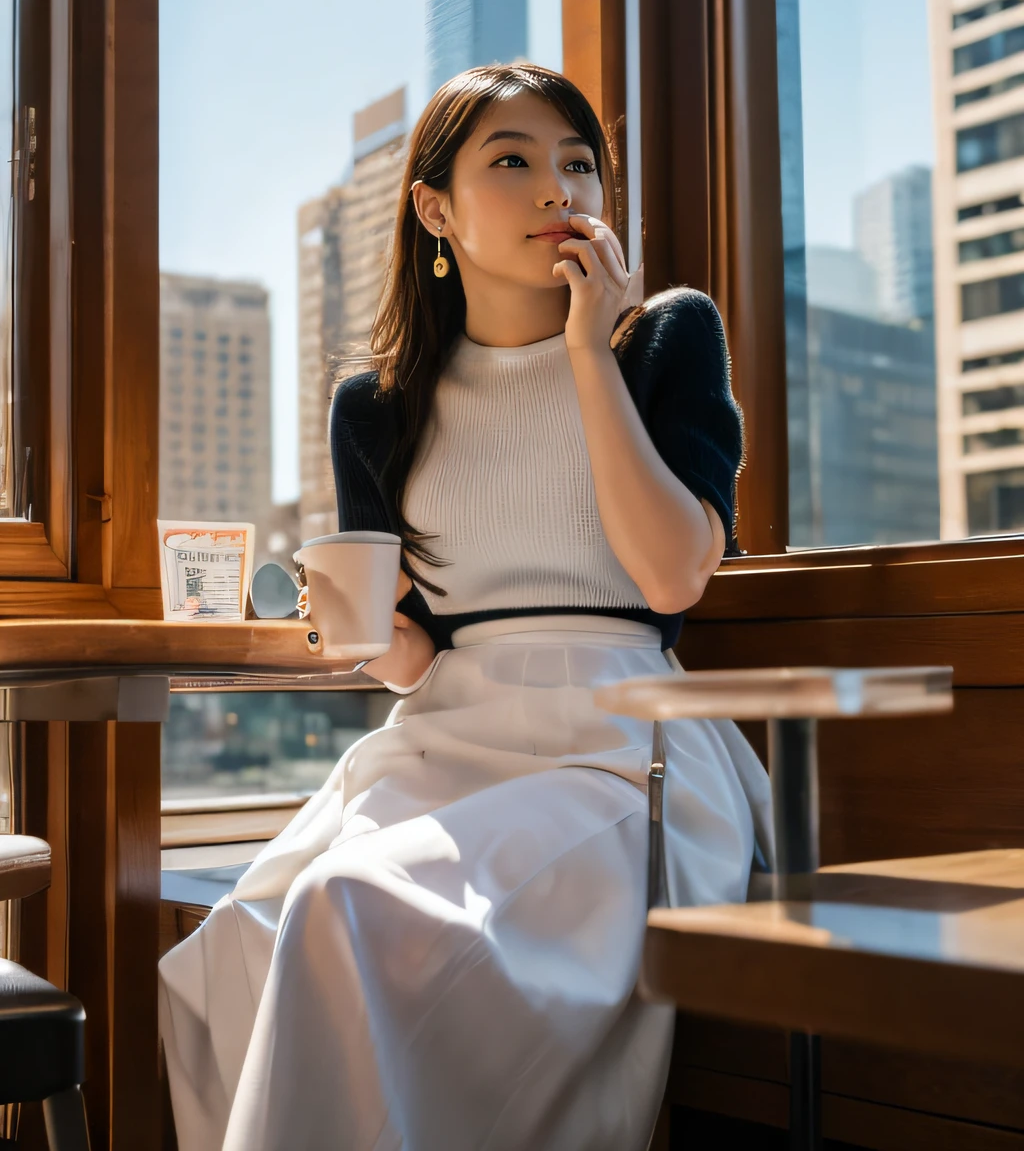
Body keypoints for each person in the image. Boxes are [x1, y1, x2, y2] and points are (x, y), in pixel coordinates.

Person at [159, 63, 773, 1151]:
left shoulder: (666, 337)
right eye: (513, 160)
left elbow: (674, 576)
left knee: (341, 907)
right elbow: (411, 662)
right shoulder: (378, 408)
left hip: (623, 746)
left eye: (578, 163)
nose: (557, 189)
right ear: (433, 207)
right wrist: (360, 626)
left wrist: (589, 344)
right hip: (446, 735)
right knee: (231, 945)